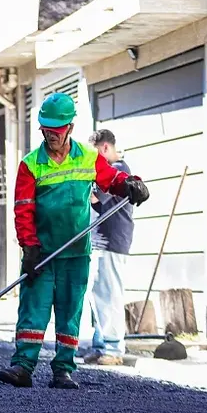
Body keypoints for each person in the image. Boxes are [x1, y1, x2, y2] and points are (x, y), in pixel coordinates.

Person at [0, 93, 150, 390]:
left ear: (70, 127)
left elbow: (114, 181)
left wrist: (132, 184)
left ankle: (63, 369)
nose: (50, 134)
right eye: (45, 128)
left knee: (70, 310)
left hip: (76, 252)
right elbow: (23, 208)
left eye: (56, 128)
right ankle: (22, 367)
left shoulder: (89, 157)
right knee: (33, 309)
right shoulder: (30, 165)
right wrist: (28, 246)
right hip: (41, 252)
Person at [83, 129, 133, 366]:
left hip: (113, 240)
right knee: (97, 293)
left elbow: (94, 198)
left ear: (104, 148)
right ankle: (100, 344)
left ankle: (113, 348)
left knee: (110, 293)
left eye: (95, 155)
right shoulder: (109, 171)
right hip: (101, 240)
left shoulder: (119, 170)